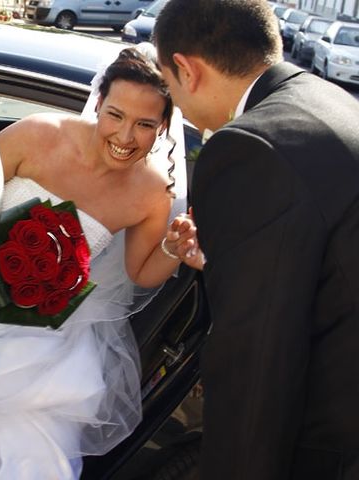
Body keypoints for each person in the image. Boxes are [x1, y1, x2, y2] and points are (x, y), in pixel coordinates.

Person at [0, 46, 200, 480]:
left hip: (46, 340)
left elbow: (139, 274)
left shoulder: (151, 193)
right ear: (99, 104)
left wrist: (172, 250)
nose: (125, 137)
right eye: (115, 115)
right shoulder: (37, 135)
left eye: (145, 124)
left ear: (163, 126)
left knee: (29, 453)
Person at [153, 1, 359, 479]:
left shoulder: (249, 145)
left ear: (186, 68)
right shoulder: (325, 100)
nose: (176, 105)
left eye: (168, 85)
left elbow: (256, 363)